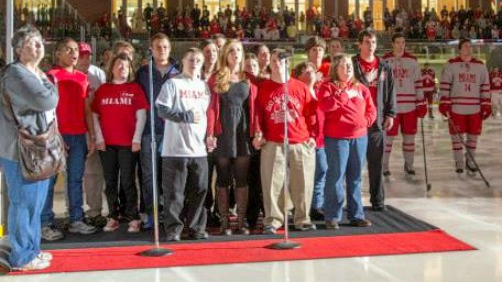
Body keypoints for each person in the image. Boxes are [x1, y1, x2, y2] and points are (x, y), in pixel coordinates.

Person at [0, 25, 56, 271]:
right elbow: (48, 99)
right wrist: (48, 84)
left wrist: (43, 78)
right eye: (32, 43)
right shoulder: (16, 74)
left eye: (39, 42)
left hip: (36, 149)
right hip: (20, 150)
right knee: (23, 203)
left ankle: (32, 249)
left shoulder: (34, 72)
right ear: (19, 50)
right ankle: (22, 257)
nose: (38, 46)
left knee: (36, 202)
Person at [253, 48, 317, 234]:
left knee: (303, 182)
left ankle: (302, 218)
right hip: (273, 141)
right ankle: (273, 220)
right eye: (273, 60)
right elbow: (258, 114)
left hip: (300, 140)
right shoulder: (263, 88)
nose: (277, 64)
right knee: (272, 182)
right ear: (270, 63)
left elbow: (311, 114)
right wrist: (258, 133)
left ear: (287, 63)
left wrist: (313, 136)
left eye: (281, 61)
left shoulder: (300, 87)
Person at [42, 38, 97, 240]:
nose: (74, 53)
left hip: (78, 136)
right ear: (58, 53)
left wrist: (92, 136)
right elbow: (48, 110)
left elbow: (87, 109)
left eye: (76, 50)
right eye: (68, 49)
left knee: (75, 179)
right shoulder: (51, 76)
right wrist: (55, 136)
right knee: (50, 180)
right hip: (57, 136)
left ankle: (76, 219)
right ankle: (46, 222)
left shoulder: (83, 78)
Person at [156, 47, 211, 241]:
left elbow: (206, 115)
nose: (194, 62)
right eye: (190, 59)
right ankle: (173, 230)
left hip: (199, 149)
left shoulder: (204, 87)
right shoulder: (172, 84)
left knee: (200, 190)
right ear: (183, 61)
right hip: (175, 149)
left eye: (198, 59)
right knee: (174, 193)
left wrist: (209, 136)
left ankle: (196, 227)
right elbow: (161, 110)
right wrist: (183, 116)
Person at [318, 54, 376, 229]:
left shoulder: (361, 88)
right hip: (337, 139)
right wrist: (343, 95)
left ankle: (356, 214)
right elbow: (326, 105)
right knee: (335, 176)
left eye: (350, 65)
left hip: (359, 138)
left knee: (356, 177)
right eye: (343, 65)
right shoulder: (327, 86)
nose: (348, 68)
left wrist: (365, 122)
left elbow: (371, 110)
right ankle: (332, 216)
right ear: (336, 68)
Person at [93, 53, 148, 233]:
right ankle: (113, 216)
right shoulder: (103, 89)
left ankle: (133, 216)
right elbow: (94, 115)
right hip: (107, 144)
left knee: (127, 181)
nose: (122, 68)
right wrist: (99, 138)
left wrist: (136, 139)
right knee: (110, 182)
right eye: (118, 65)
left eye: (125, 65)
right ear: (112, 68)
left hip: (128, 144)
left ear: (130, 69)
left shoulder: (135, 88)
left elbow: (141, 115)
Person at [207, 39, 257, 235]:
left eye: (238, 50)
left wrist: (257, 130)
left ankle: (241, 222)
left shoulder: (249, 78)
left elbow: (255, 109)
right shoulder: (216, 77)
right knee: (223, 178)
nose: (235, 54)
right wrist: (210, 133)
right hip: (223, 133)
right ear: (225, 55)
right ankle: (224, 223)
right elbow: (211, 108)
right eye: (231, 51)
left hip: (243, 133)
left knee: (242, 179)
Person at [135, 32, 179, 229]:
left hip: (173, 132)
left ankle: (171, 215)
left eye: (165, 47)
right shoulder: (143, 73)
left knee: (171, 178)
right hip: (149, 132)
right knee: (149, 177)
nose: (162, 50)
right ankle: (153, 215)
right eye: (158, 47)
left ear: (170, 49)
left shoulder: (179, 72)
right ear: (151, 50)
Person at [351, 30, 396, 211]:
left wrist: (390, 114)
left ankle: (378, 201)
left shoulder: (384, 66)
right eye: (367, 42)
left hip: (377, 123)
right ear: (359, 44)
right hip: (356, 122)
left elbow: (391, 91)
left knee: (376, 163)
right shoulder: (352, 65)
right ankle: (353, 203)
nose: (371, 46)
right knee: (355, 166)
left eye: (374, 42)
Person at [439, 38, 491, 175]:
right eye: (466, 46)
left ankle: (470, 161)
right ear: (460, 49)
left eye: (470, 46)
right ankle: (459, 163)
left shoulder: (480, 66)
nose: (469, 48)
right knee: (457, 137)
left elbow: (485, 86)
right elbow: (445, 85)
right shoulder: (451, 64)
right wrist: (444, 102)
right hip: (457, 107)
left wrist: (486, 103)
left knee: (473, 136)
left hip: (475, 107)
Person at [382, 33, 425, 176]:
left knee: (409, 138)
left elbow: (418, 83)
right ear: (392, 44)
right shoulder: (385, 60)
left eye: (403, 42)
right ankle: (384, 166)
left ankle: (409, 165)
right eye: (398, 42)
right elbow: (381, 85)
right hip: (391, 107)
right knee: (388, 138)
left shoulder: (412, 60)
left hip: (410, 106)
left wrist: (421, 102)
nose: (401, 45)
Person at [76, 42, 107, 228]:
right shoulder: (65, 75)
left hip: (93, 128)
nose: (86, 59)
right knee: (73, 175)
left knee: (94, 173)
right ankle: (74, 213)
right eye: (82, 56)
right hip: (71, 129)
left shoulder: (98, 74)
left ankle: (94, 211)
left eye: (88, 56)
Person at [293, 61, 325, 220]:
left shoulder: (320, 91)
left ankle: (316, 205)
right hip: (303, 140)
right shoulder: (296, 93)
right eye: (305, 71)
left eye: (312, 70)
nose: (310, 73)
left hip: (320, 140)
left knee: (321, 171)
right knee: (302, 176)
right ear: (298, 77)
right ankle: (298, 207)